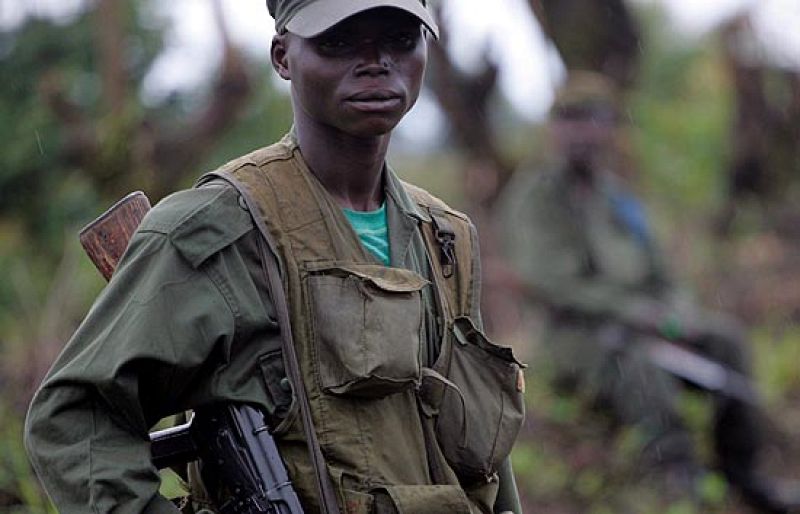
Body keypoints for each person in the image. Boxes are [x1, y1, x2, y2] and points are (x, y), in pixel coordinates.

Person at [24, 2, 525, 513]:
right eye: (339, 41)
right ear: (282, 56)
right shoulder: (213, 232)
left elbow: (486, 450)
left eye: (400, 38)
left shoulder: (445, 235)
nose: (376, 61)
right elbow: (72, 419)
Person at [497, 71, 798, 513]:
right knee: (639, 358)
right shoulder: (535, 198)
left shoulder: (617, 197)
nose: (580, 131)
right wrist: (635, 313)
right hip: (577, 339)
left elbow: (661, 271)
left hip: (648, 322)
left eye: (591, 118)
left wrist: (676, 312)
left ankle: (744, 473)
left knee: (725, 340)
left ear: (608, 127)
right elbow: (553, 284)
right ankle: (681, 481)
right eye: (569, 118)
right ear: (554, 128)